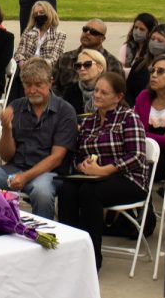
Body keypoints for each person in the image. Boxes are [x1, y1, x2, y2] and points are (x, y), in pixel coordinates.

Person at [58, 72, 151, 271]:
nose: (97, 95)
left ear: (118, 97)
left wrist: (103, 171)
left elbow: (136, 156)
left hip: (128, 179)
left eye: (104, 92)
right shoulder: (89, 121)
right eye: (97, 91)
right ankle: (69, 251)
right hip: (94, 177)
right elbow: (77, 153)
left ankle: (91, 258)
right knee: (66, 189)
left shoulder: (128, 118)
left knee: (89, 194)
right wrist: (81, 166)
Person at [0, 58, 78, 219]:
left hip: (48, 172)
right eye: (28, 85)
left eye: (38, 85)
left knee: (42, 193)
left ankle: (42, 236)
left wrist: (25, 177)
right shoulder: (17, 106)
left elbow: (57, 158)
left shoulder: (65, 111)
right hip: (15, 168)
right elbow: (6, 156)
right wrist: (7, 129)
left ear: (50, 83)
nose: (32, 90)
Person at [54, 19, 125, 94]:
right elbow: (54, 86)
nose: (87, 33)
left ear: (102, 39)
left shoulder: (113, 63)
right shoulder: (65, 58)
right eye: (85, 29)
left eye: (93, 32)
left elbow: (119, 93)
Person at [126, 23, 165, 106]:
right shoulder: (139, 64)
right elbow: (128, 91)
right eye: (152, 39)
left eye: (160, 41)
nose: (154, 42)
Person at [61, 48, 106, 119]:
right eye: (78, 66)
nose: (82, 68)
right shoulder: (71, 91)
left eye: (87, 64)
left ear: (100, 68)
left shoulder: (110, 90)